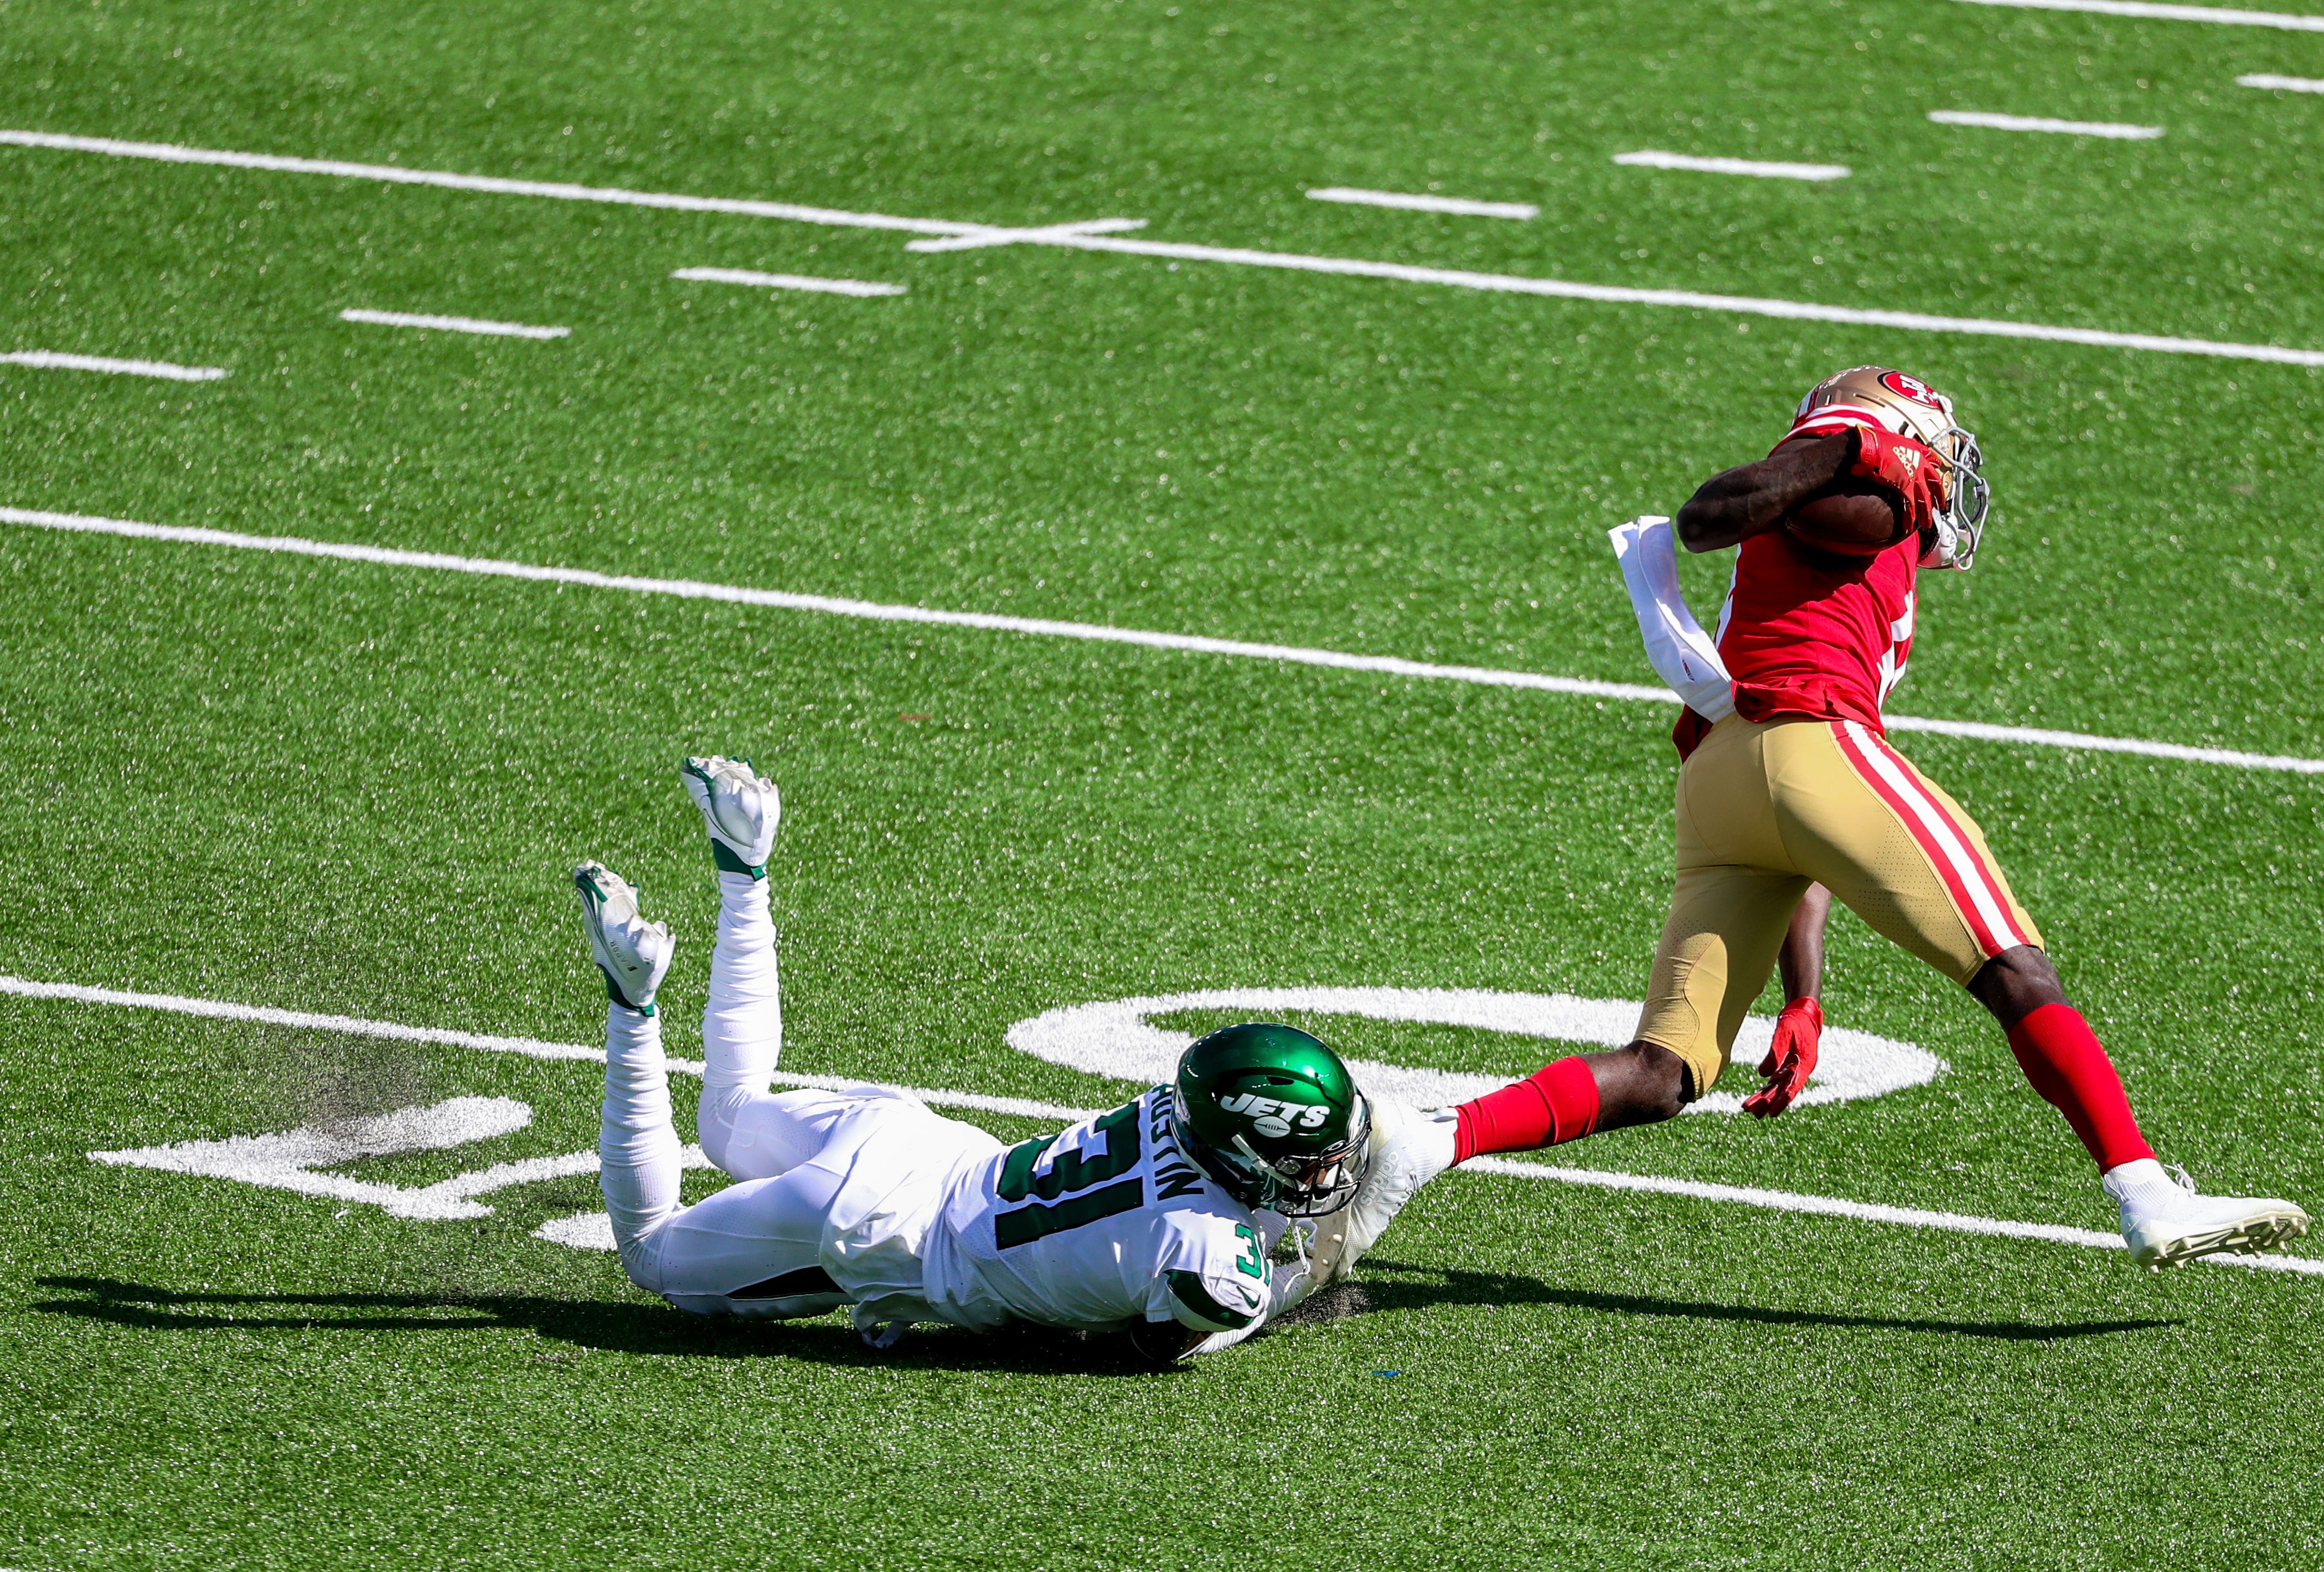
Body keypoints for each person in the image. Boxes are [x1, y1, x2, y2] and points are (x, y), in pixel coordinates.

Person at [1318, 367, 2308, 1281]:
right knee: (2016, 970)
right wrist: (1845, 450)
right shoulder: (1857, 474)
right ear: (1896, 431)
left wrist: (1803, 997)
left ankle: (1433, 1137)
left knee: (1665, 1072)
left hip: (1729, 780)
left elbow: (1805, 836)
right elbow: (1705, 518)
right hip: (1805, 745)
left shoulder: (1858, 515)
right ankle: (2141, 1190)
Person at [575, 754, 1372, 1361]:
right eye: (1306, 1161)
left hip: (921, 1147)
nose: (1317, 1177)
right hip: (891, 1234)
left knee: (728, 1118)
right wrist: (1280, 1287)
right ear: (1243, 1147)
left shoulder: (1177, 1106)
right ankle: (632, 1007)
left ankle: (746, 869)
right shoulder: (1212, 1263)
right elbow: (1141, 1346)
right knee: (651, 1256)